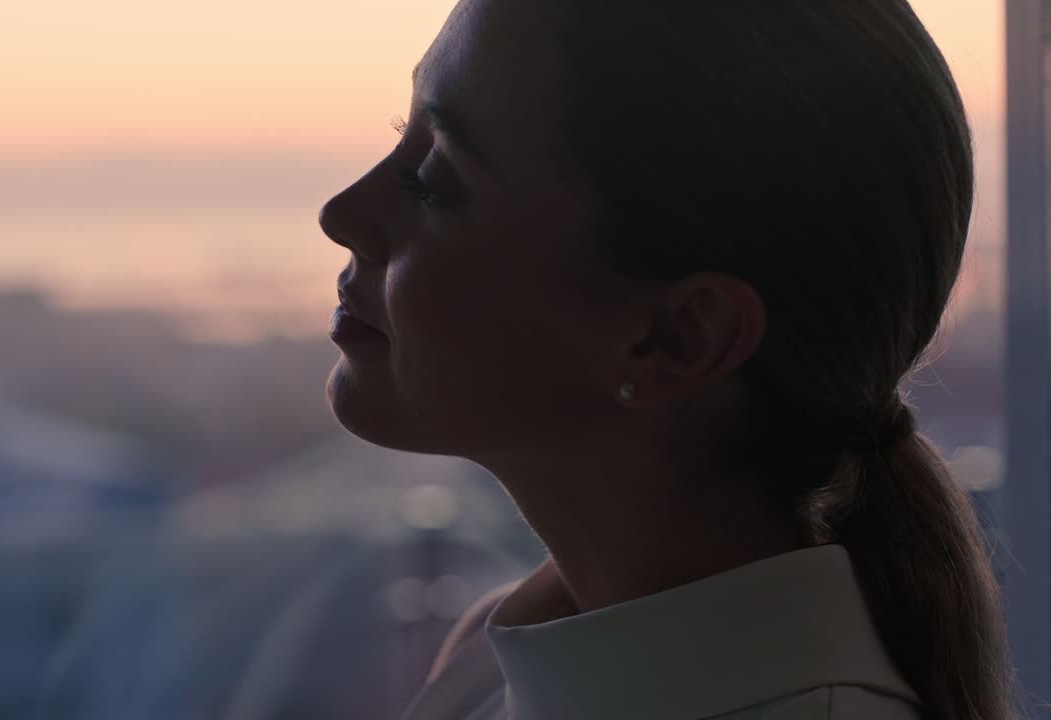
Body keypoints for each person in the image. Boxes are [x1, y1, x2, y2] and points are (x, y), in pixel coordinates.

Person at [318, 0, 1024, 718]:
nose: (341, 212)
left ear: (679, 337)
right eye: (405, 136)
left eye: (436, 180)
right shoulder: (496, 666)